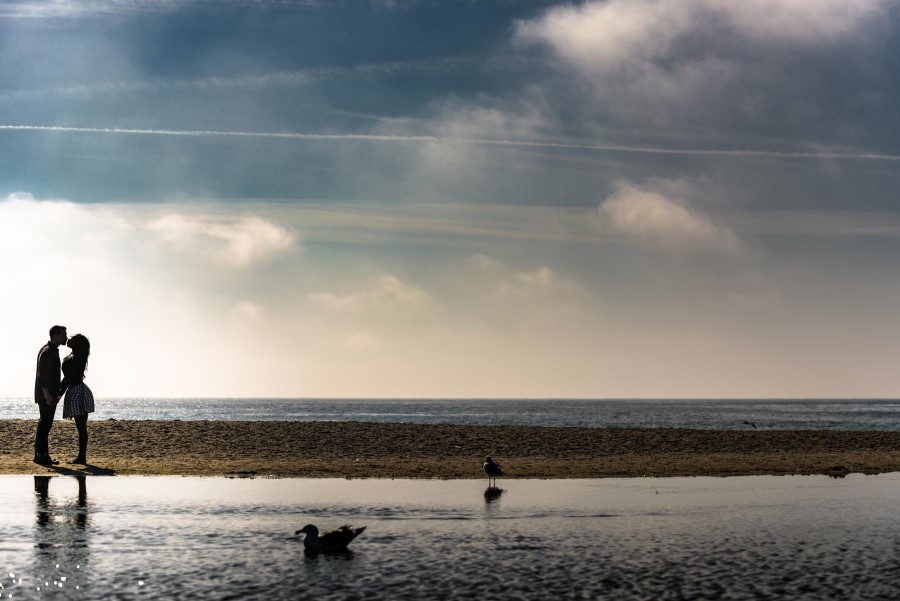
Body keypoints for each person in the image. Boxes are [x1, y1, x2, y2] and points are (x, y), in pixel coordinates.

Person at [59, 334, 94, 464]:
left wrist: (59, 394)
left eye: (72, 338)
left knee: (81, 427)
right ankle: (82, 456)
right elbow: (67, 378)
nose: (69, 339)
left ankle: (82, 457)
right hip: (77, 390)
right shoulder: (74, 357)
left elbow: (68, 379)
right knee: (81, 427)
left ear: (77, 344)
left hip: (77, 391)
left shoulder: (76, 359)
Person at [34, 325, 67, 466]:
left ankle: (42, 455)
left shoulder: (50, 350)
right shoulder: (48, 352)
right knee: (45, 424)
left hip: (48, 394)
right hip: (46, 395)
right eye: (64, 335)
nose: (66, 337)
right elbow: (42, 375)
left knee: (45, 424)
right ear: (55, 336)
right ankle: (41, 456)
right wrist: (47, 393)